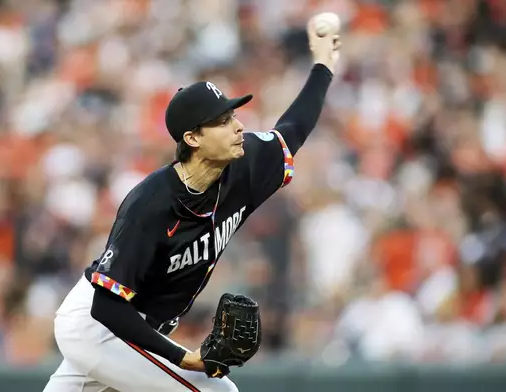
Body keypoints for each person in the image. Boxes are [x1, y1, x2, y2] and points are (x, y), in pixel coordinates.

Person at [42, 20, 341, 392]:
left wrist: (323, 66)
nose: (237, 126)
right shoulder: (149, 204)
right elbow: (106, 307)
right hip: (99, 327)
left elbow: (293, 128)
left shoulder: (245, 164)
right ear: (193, 138)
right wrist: (185, 358)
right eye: (222, 121)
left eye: (232, 116)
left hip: (131, 330)